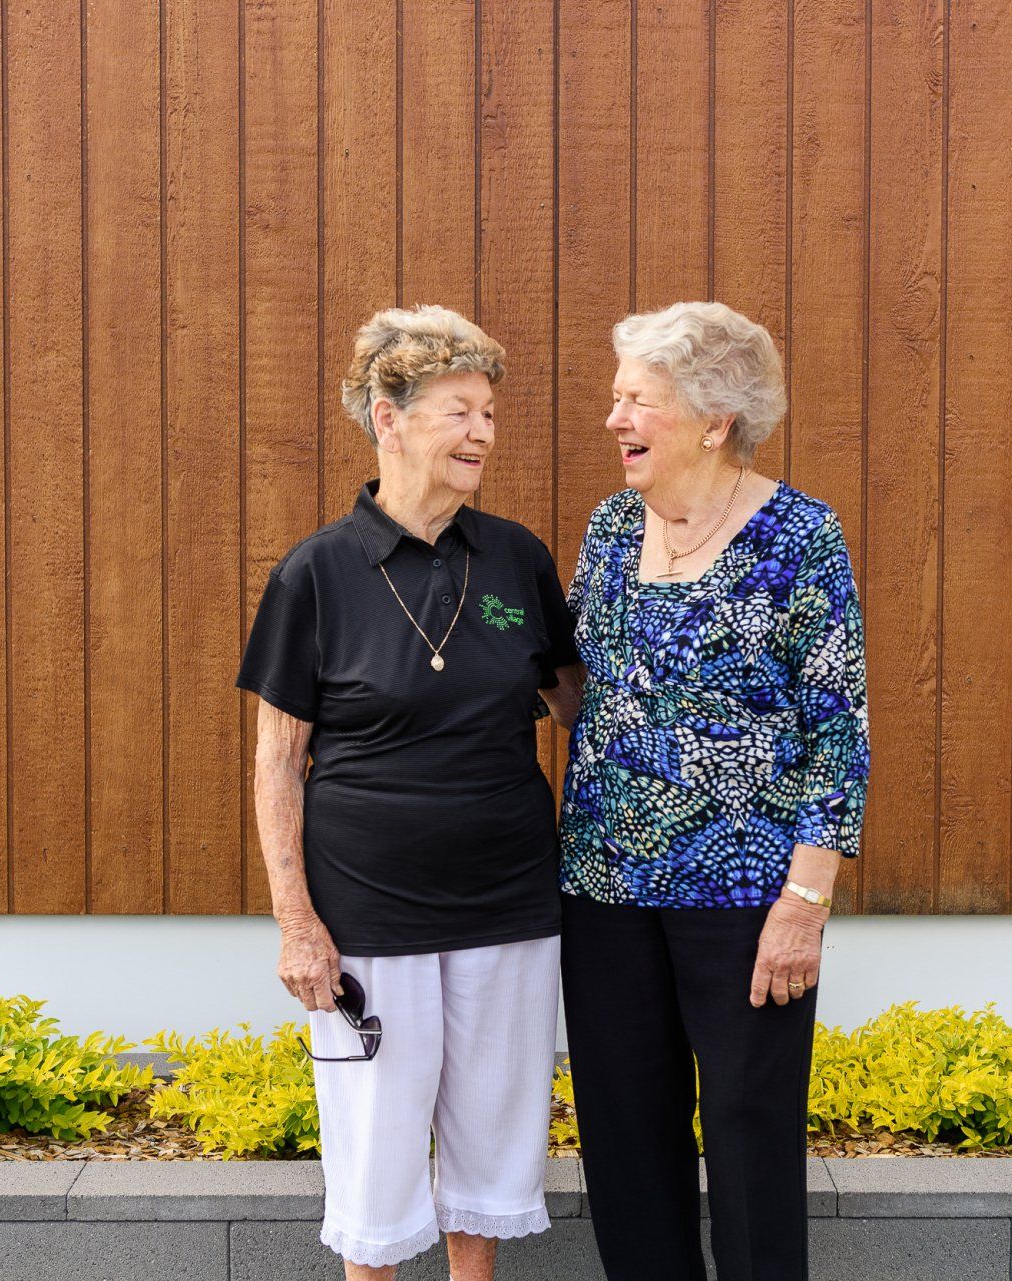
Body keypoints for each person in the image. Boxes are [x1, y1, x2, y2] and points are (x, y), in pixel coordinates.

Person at [238, 304, 584, 1280]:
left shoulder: (515, 557)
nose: (482, 433)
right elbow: (275, 761)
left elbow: (578, 706)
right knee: (378, 1164)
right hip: (366, 913)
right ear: (388, 419)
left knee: (490, 1147)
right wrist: (295, 920)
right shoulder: (314, 575)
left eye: (489, 414)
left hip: (510, 902)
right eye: (457, 411)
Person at [558, 300, 870, 1280]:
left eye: (636, 401)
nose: (614, 420)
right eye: (615, 399)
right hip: (603, 890)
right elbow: (579, 689)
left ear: (712, 419)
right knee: (625, 1141)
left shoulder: (798, 536)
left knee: (748, 1138)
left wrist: (806, 902)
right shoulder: (611, 527)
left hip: (745, 901)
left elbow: (839, 729)